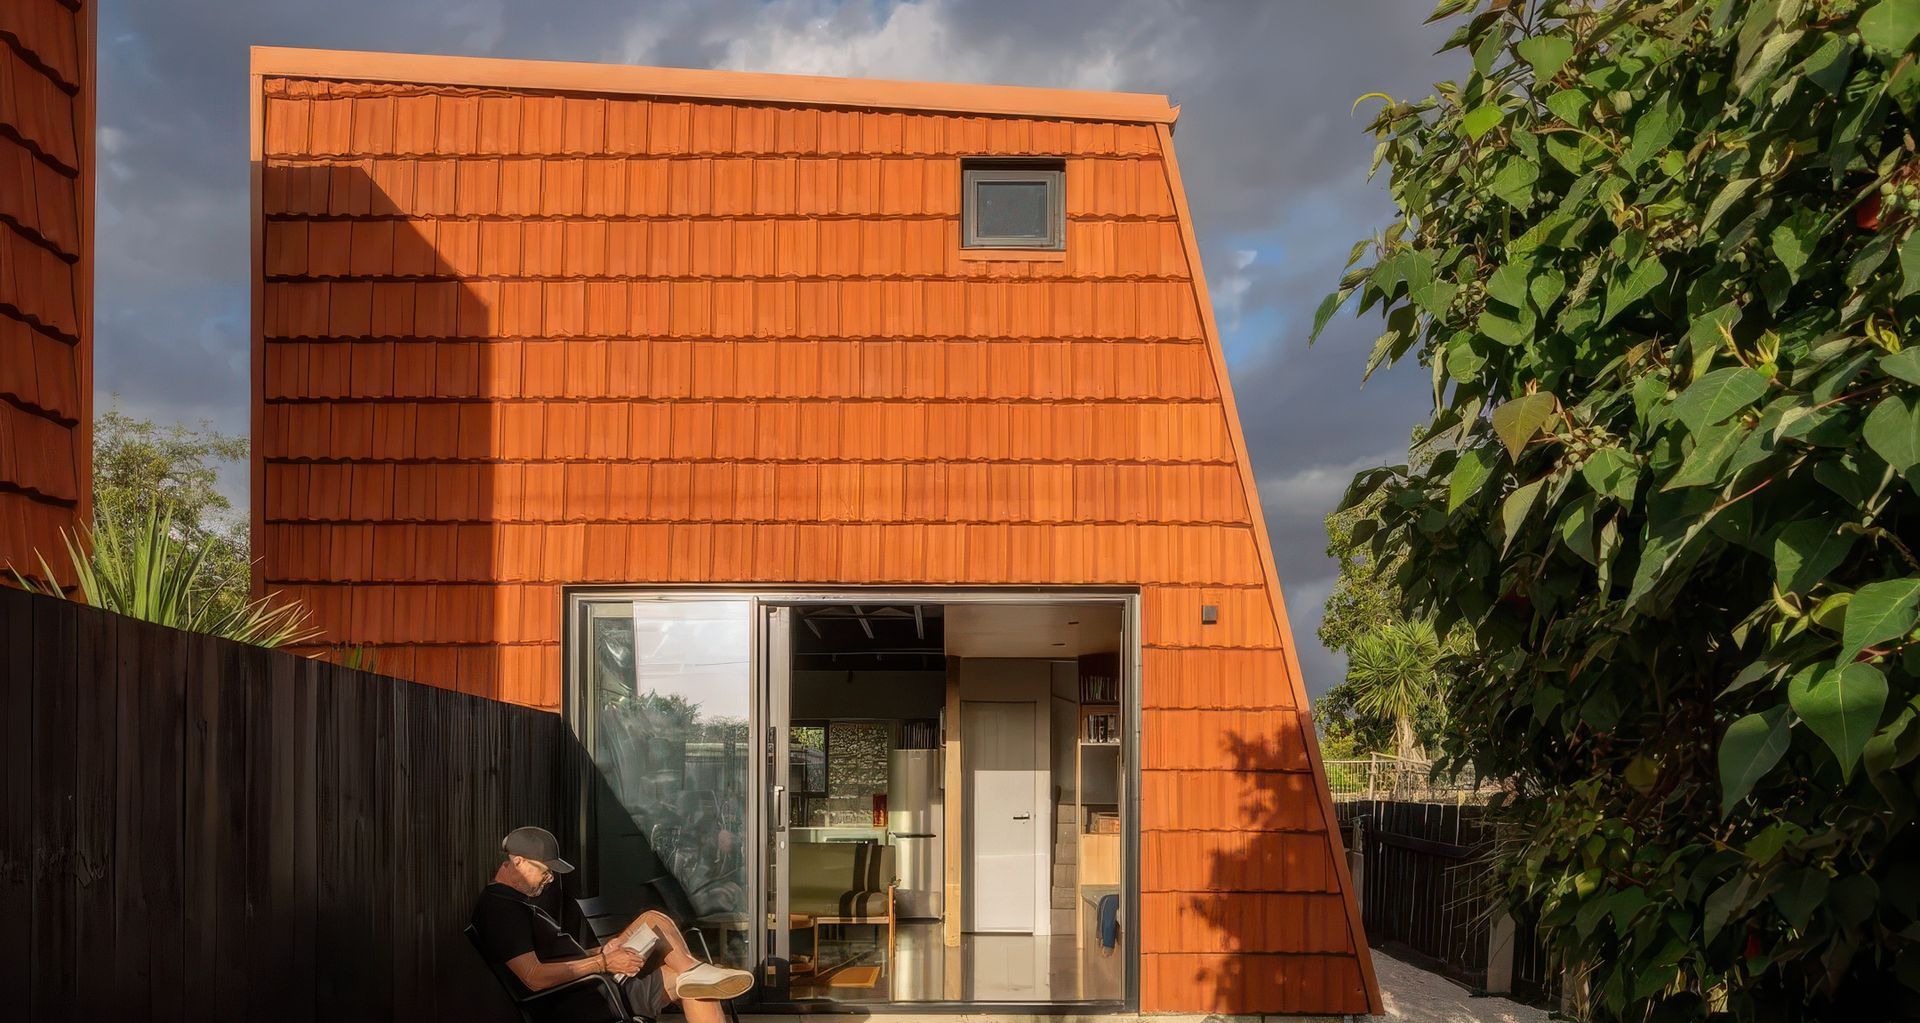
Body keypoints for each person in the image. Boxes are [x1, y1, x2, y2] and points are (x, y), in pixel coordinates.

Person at [472, 826, 754, 1022]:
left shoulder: (510, 903)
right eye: (545, 872)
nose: (549, 880)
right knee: (690, 985)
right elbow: (533, 977)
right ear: (518, 862)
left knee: (651, 920)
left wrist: (602, 952)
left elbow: (554, 962)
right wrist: (604, 963)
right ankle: (697, 973)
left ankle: (696, 971)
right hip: (587, 999)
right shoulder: (503, 910)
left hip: (588, 985)